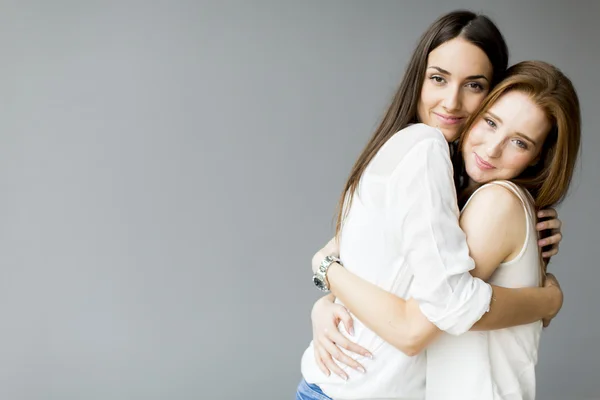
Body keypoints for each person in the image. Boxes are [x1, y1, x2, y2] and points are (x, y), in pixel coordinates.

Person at [296, 10, 565, 400]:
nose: (451, 102)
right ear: (418, 79)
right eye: (438, 78)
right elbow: (430, 317)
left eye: (473, 85)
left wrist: (325, 284)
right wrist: (547, 299)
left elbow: (368, 264)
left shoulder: (441, 171)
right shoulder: (425, 148)